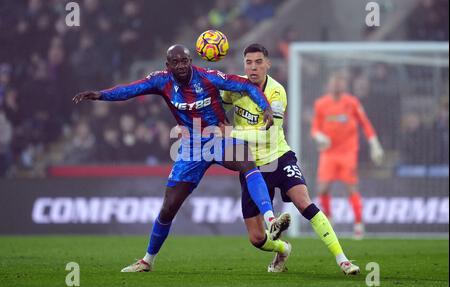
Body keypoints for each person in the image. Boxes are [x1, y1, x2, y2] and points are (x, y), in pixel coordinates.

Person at [73, 44, 290, 272]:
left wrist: (264, 106)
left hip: (218, 136)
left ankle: (270, 220)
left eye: (185, 61)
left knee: (248, 163)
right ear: (168, 66)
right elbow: (130, 89)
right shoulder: (161, 81)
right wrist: (101, 95)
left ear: (190, 61)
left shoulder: (208, 77)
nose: (181, 66)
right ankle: (147, 260)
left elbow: (245, 85)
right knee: (168, 208)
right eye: (176, 63)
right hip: (191, 148)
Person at [221, 44, 360, 275]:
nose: (253, 67)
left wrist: (230, 133)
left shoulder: (276, 91)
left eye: (258, 62)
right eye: (249, 62)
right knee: (256, 238)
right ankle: (282, 248)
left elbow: (269, 131)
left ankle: (343, 260)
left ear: (268, 64)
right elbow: (215, 107)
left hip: (279, 156)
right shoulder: (234, 88)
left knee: (303, 201)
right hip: (251, 166)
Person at [311, 73, 384, 240]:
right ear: (328, 85)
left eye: (339, 82)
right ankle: (329, 217)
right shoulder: (321, 104)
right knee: (322, 188)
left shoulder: (352, 103)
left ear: (344, 85)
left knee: (351, 187)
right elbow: (315, 128)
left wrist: (374, 143)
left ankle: (359, 224)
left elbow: (365, 123)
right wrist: (318, 136)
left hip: (347, 152)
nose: (336, 85)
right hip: (328, 153)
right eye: (333, 82)